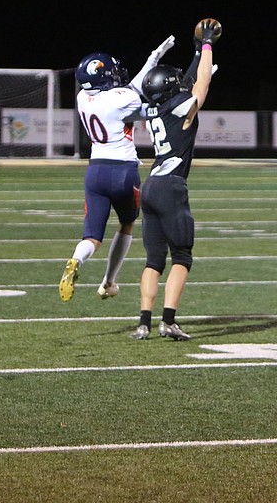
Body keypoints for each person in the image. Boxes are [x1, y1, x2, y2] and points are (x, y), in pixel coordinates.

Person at [60, 36, 175, 302]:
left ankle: (77, 259)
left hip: (95, 171)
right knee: (126, 225)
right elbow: (149, 105)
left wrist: (153, 58)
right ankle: (109, 281)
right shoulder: (119, 99)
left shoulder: (82, 97)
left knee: (92, 237)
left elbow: (128, 90)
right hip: (123, 172)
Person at [130, 18, 220, 341]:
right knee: (181, 256)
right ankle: (168, 320)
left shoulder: (156, 108)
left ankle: (143, 323)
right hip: (170, 187)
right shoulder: (179, 107)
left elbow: (189, 81)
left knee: (154, 260)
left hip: (151, 184)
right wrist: (207, 43)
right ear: (171, 89)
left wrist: (196, 54)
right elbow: (200, 86)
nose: (182, 84)